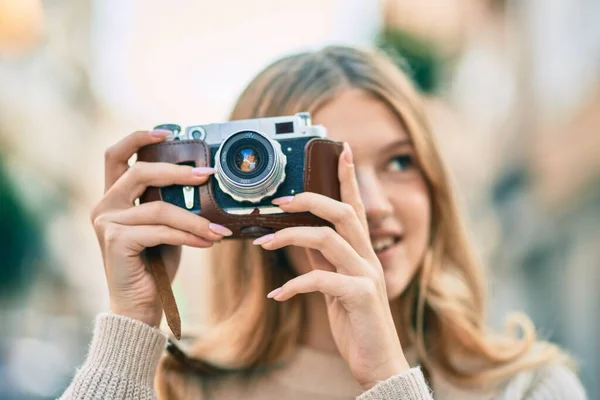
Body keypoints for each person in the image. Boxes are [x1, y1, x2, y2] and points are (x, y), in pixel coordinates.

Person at [60, 46, 586, 399]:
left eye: (400, 162)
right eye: (334, 168)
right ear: (253, 197)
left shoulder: (530, 387)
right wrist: (129, 328)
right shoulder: (180, 387)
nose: (372, 203)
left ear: (435, 184)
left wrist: (388, 379)